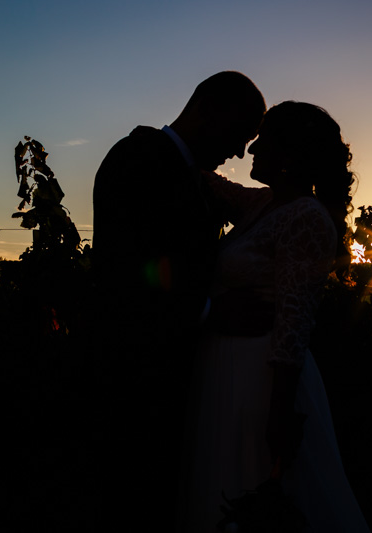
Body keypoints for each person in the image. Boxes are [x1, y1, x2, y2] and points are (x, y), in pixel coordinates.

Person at [181, 101, 371, 532]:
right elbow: (206, 181)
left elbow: (293, 326)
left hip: (264, 382)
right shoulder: (262, 204)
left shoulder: (307, 218)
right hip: (226, 369)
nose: (250, 151)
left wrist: (279, 411)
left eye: (262, 141)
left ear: (288, 155)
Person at [89, 71, 265, 528]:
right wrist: (210, 311)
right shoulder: (138, 159)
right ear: (208, 110)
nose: (240, 153)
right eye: (239, 135)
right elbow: (125, 273)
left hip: (182, 379)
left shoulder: (192, 176)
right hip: (138, 380)